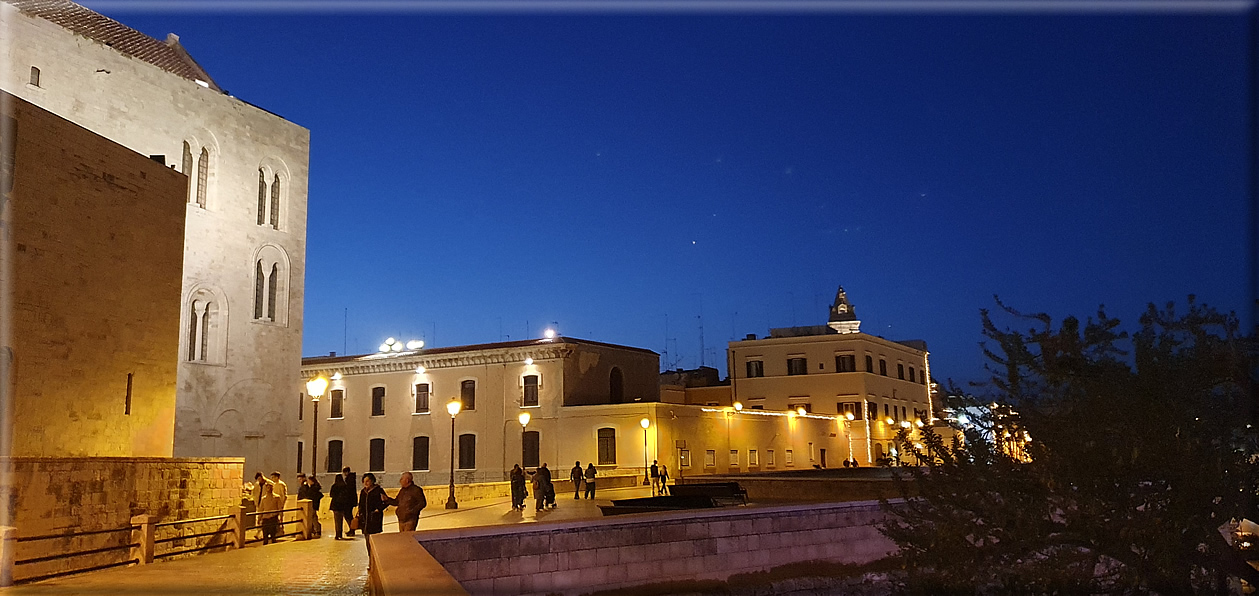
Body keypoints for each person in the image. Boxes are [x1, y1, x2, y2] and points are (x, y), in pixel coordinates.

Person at [356, 473, 392, 553]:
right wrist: (359, 513)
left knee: (375, 541)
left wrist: (378, 509)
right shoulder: (363, 492)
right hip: (364, 520)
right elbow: (361, 504)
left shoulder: (378, 490)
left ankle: (375, 557)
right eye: (364, 481)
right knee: (367, 540)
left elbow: (386, 501)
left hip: (374, 519)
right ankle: (370, 557)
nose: (365, 483)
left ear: (372, 481)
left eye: (367, 481)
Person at [329, 474, 356, 540]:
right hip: (343, 506)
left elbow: (331, 495)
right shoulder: (345, 486)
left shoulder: (334, 486)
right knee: (341, 520)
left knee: (337, 521)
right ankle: (344, 532)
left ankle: (338, 534)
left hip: (335, 506)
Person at [342, 467, 357, 536]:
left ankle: (352, 529)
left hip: (348, 501)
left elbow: (348, 490)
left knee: (348, 515)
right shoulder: (351, 478)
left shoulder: (349, 479)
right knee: (348, 515)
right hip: (351, 500)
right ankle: (351, 529)